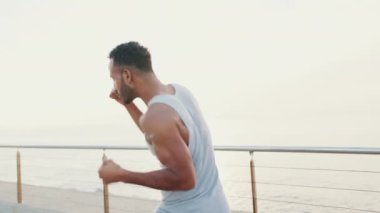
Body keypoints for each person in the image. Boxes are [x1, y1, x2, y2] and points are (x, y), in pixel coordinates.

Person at [98, 41, 230, 212]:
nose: (114, 86)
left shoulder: (157, 117)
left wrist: (122, 174)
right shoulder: (179, 92)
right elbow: (159, 133)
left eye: (114, 79)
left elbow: (185, 179)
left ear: (127, 76)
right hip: (216, 205)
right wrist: (127, 104)